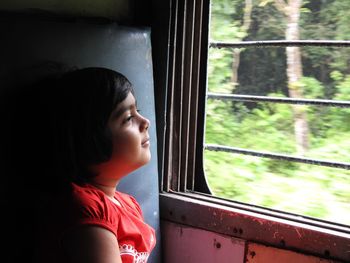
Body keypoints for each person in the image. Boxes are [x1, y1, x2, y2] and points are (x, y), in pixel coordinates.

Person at [30, 67, 156, 263]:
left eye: (137, 111)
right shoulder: (86, 208)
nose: (145, 121)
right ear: (89, 139)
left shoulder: (129, 205)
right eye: (129, 118)